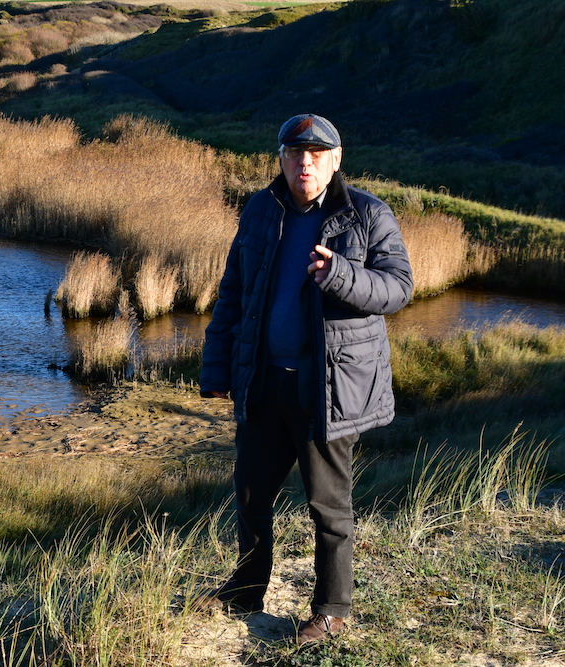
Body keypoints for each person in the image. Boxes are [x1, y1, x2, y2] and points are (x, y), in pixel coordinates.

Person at [196, 113, 413, 644]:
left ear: (336, 160)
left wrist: (339, 274)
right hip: (265, 380)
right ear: (281, 160)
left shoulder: (367, 214)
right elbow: (233, 294)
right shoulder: (260, 210)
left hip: (328, 389)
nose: (305, 162)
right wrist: (217, 365)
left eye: (317, 154)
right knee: (250, 492)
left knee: (328, 506)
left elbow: (398, 288)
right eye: (295, 154)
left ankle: (331, 609)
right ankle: (247, 588)